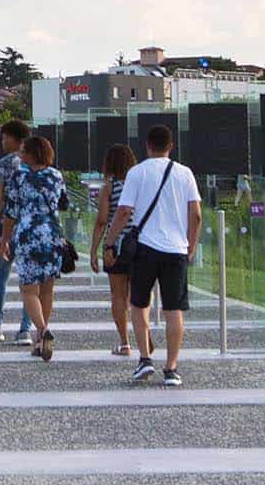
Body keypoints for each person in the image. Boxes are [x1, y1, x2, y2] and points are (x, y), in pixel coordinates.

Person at [102, 121, 202, 385]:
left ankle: (145, 359)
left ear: (147, 146)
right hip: (176, 250)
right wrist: (191, 245)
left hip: (144, 248)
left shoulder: (137, 173)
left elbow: (123, 213)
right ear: (171, 146)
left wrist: (109, 243)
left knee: (139, 304)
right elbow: (197, 214)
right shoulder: (185, 173)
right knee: (173, 310)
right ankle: (171, 368)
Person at [0, 134, 64, 361]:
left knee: (28, 289)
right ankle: (39, 340)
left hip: (28, 235)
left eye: (23, 151)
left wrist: (4, 239)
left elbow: (11, 212)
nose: (20, 154)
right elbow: (62, 203)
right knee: (47, 288)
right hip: (53, 235)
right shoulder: (56, 176)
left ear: (31, 153)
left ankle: (43, 330)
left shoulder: (19, 177)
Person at [0, 120, 34, 345]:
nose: (2, 141)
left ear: (15, 138)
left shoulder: (2, 165)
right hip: (29, 229)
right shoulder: (34, 164)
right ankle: (25, 329)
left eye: (4, 137)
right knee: (29, 280)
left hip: (6, 228)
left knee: (1, 278)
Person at [89, 143, 138, 356]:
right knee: (139, 294)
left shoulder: (109, 187)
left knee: (118, 295)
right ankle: (143, 336)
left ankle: (125, 342)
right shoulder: (139, 184)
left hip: (115, 246)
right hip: (140, 244)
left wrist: (94, 251)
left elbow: (101, 221)